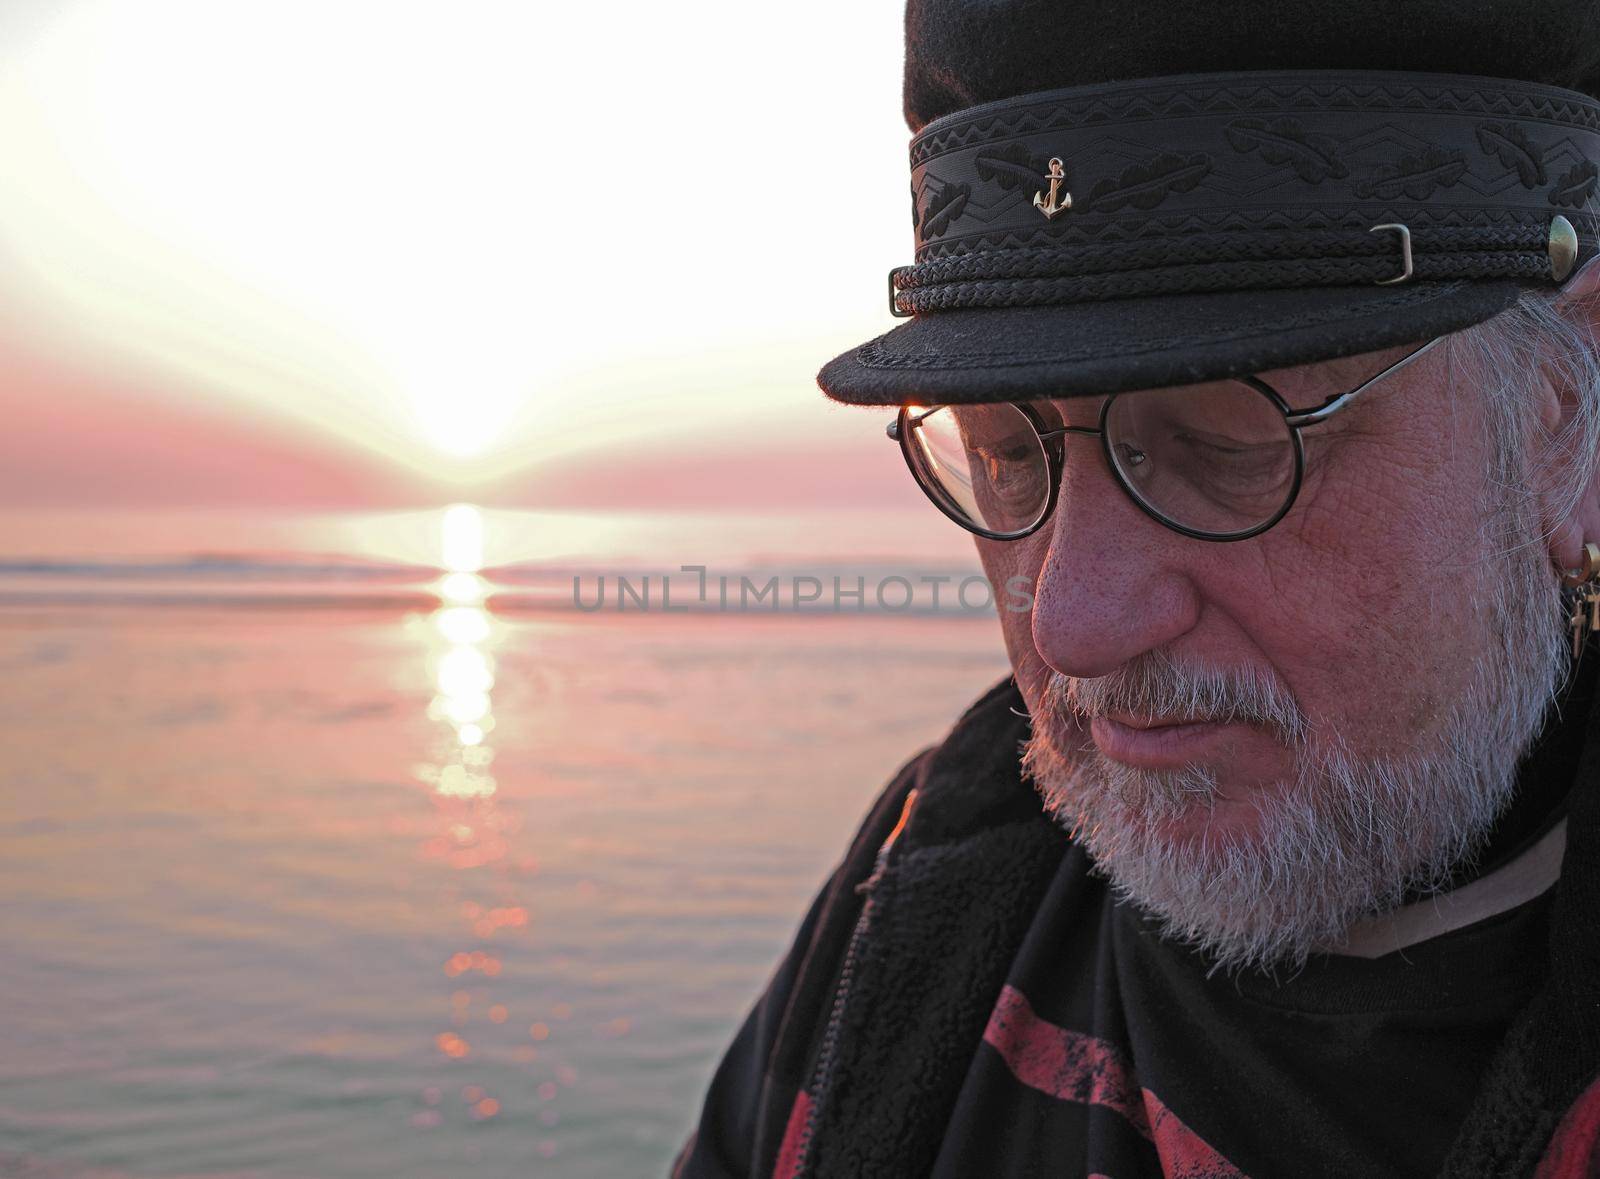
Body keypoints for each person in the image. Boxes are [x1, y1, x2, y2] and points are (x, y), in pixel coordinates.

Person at [673, 2, 1600, 1174]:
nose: (1073, 625)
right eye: (1007, 455)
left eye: (1230, 443)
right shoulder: (914, 907)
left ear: (1569, 421)